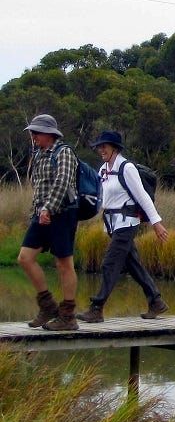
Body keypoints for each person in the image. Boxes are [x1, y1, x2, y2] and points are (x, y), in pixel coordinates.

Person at [77, 131, 170, 323]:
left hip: (127, 223)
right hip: (112, 225)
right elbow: (99, 196)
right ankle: (156, 301)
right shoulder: (103, 170)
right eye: (99, 147)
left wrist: (156, 223)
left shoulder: (127, 168)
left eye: (104, 146)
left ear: (115, 148)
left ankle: (97, 308)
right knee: (133, 264)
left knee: (109, 264)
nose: (100, 149)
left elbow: (142, 196)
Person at [17, 114, 82, 331]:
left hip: (62, 214)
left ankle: (68, 316)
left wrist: (49, 208)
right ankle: (48, 306)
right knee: (25, 258)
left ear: (49, 133)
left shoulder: (64, 153)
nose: (33, 136)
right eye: (32, 132)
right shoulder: (38, 155)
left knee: (63, 263)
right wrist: (37, 212)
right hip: (41, 215)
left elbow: (62, 182)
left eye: (36, 132)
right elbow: (38, 188)